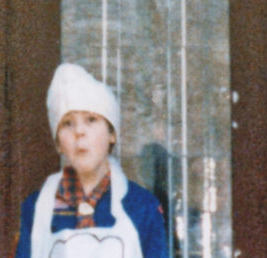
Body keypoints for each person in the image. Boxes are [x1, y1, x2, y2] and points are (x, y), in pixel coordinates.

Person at [14, 63, 170, 258]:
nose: (80, 132)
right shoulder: (38, 209)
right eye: (67, 123)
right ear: (58, 143)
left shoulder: (141, 206)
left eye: (91, 120)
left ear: (112, 133)